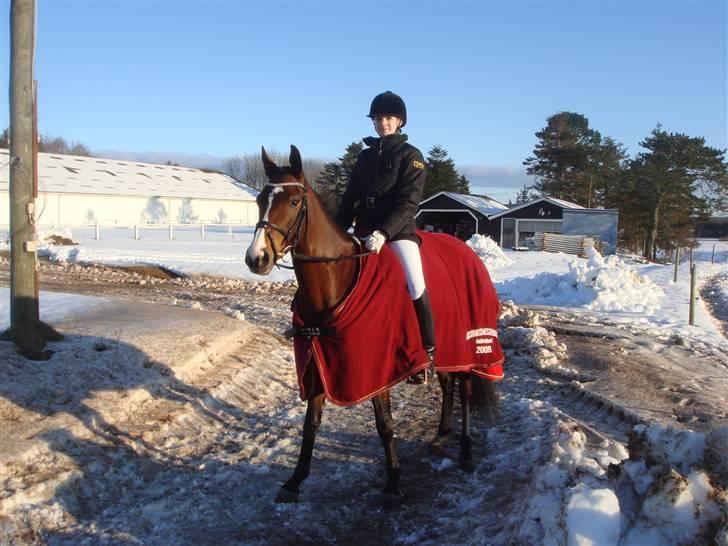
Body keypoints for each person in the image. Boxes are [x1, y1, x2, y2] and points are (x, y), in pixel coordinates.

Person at [335, 91, 435, 384]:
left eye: (388, 118)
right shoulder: (365, 157)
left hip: (397, 232)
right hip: (364, 231)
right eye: (378, 119)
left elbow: (409, 202)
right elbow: (350, 197)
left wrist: (384, 232)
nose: (382, 123)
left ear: (399, 121)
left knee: (415, 283)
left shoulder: (411, 156)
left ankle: (427, 354)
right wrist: (338, 229)